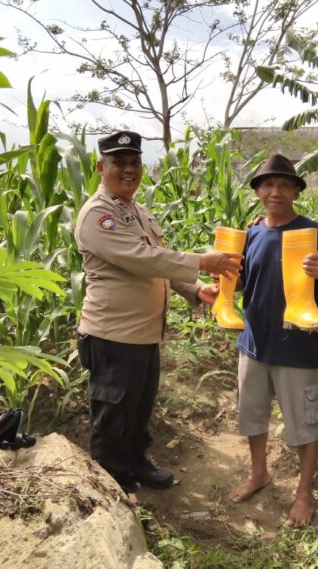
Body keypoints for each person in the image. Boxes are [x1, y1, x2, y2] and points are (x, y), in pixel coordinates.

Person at [74, 130, 241, 494]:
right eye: (120, 163)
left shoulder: (139, 212)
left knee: (137, 410)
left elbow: (159, 268)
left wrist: (197, 290)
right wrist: (202, 262)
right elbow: (142, 259)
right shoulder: (98, 216)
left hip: (144, 334)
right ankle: (111, 488)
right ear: (101, 167)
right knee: (112, 417)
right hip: (111, 335)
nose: (129, 169)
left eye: (135, 162)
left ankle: (135, 464)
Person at [228, 154, 318, 527]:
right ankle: (259, 473)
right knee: (252, 415)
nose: (275, 192)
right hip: (254, 343)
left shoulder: (312, 232)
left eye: (283, 185)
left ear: (295, 191)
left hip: (297, 346)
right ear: (258, 191)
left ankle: (304, 494)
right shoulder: (252, 232)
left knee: (303, 425)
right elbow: (243, 284)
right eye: (267, 185)